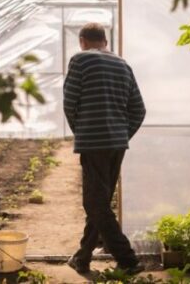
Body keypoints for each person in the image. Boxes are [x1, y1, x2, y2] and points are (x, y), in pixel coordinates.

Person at [63, 22, 146, 276]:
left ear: (82, 41)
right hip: (116, 144)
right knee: (100, 201)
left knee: (95, 202)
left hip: (94, 143)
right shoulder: (123, 64)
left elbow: (69, 103)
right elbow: (139, 110)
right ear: (105, 41)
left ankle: (127, 259)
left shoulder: (80, 60)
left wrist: (83, 132)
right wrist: (121, 133)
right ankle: (83, 257)